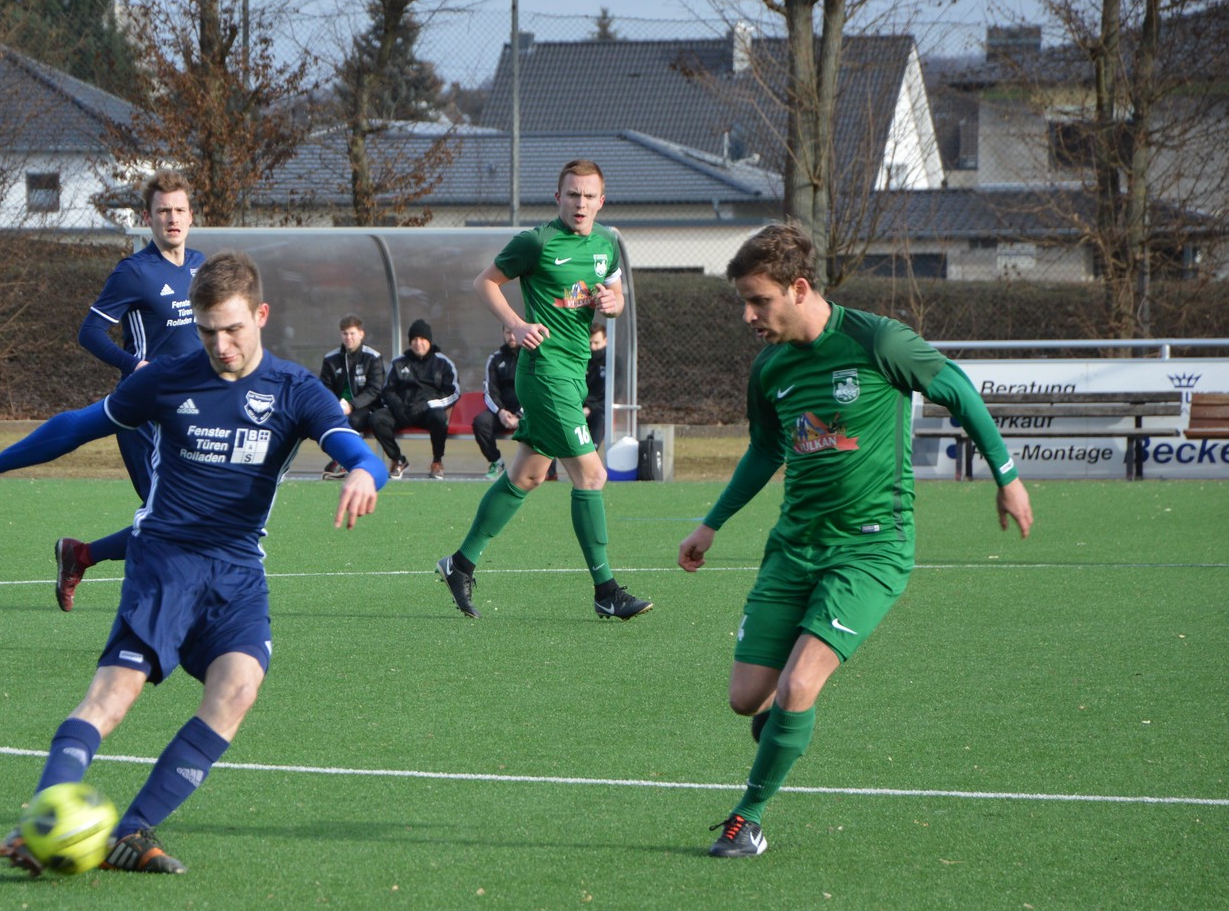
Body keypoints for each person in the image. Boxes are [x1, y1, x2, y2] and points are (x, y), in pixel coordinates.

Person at [0, 252, 389, 874]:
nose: (221, 345)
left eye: (233, 329)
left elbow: (355, 449)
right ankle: (43, 820)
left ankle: (131, 831)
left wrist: (366, 474)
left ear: (261, 315)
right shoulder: (167, 378)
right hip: (165, 562)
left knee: (237, 689)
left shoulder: (295, 390)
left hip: (237, 571)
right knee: (113, 696)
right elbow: (78, 426)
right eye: (208, 331)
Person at [676, 223, 1034, 858]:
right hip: (794, 548)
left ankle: (748, 819)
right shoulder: (770, 368)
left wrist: (1006, 477)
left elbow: (957, 389)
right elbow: (765, 450)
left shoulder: (878, 341)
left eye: (759, 301)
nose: (748, 315)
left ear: (799, 288)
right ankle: (782, 722)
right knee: (746, 700)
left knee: (797, 686)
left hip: (871, 550)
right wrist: (712, 523)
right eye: (745, 302)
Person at [435, 160, 650, 620]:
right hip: (544, 373)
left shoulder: (607, 242)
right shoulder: (536, 242)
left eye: (588, 196)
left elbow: (615, 297)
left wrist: (613, 303)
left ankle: (460, 564)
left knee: (528, 476)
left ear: (601, 201)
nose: (580, 203)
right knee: (591, 475)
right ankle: (606, 591)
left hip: (574, 372)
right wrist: (516, 324)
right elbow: (484, 282)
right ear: (558, 198)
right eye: (572, 194)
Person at [53, 170, 205, 611]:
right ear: (147, 218)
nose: (172, 218)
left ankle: (80, 555)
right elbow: (89, 332)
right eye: (163, 211)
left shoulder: (202, 266)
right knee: (174, 516)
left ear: (190, 216)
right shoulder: (134, 272)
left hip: (192, 410)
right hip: (143, 412)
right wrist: (134, 365)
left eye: (179, 210)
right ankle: (166, 602)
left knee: (184, 515)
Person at [376, 318, 459, 479]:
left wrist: (427, 405)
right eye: (414, 339)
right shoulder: (398, 362)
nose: (418, 343)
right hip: (402, 412)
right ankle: (398, 460)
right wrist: (398, 406)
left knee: (439, 417)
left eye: (422, 339)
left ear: (429, 341)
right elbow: (387, 390)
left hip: (427, 413)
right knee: (377, 419)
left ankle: (437, 461)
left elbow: (453, 392)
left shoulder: (443, 363)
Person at [316, 314, 387, 478]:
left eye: (352, 333)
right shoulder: (331, 358)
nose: (348, 338)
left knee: (352, 421)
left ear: (361, 334)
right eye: (345, 334)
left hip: (366, 406)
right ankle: (339, 460)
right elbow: (325, 388)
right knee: (321, 422)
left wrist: (352, 405)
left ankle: (345, 462)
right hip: (338, 407)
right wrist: (334, 405)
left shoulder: (373, 357)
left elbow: (374, 390)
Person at [473, 324, 523, 481]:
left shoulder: (533, 357)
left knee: (543, 423)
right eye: (508, 333)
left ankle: (545, 471)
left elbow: (537, 391)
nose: (512, 337)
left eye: (515, 333)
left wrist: (520, 415)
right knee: (481, 422)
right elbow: (489, 391)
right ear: (503, 334)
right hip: (502, 412)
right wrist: (500, 411)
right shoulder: (495, 359)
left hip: (527, 412)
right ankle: (496, 462)